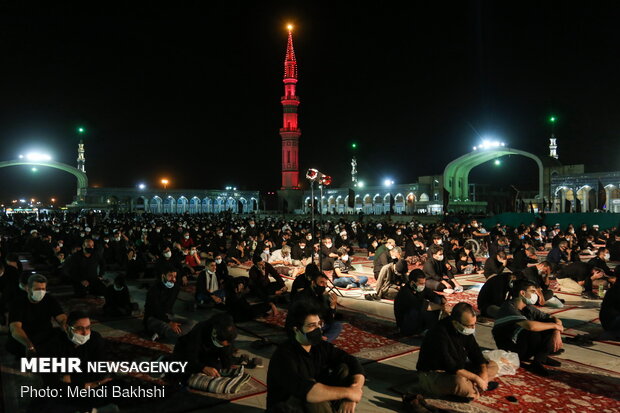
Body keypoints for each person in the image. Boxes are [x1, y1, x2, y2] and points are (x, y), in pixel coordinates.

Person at [266, 300, 365, 412]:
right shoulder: (284, 355)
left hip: (311, 398)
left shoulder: (319, 346)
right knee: (314, 394)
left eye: (319, 324)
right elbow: (308, 391)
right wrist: (349, 393)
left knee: (344, 368)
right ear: (296, 329)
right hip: (285, 407)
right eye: (311, 325)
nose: (318, 329)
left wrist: (354, 389)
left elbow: (352, 361)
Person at [416, 302, 499, 401]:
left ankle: (474, 386)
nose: (473, 328)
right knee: (461, 383)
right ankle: (473, 388)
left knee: (493, 365)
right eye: (470, 326)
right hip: (435, 373)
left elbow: (475, 352)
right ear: (455, 322)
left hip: (458, 368)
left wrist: (483, 373)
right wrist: (477, 379)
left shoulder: (463, 328)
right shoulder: (439, 333)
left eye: (474, 324)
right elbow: (452, 367)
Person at [492, 280, 564, 376]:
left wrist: (556, 331)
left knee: (548, 324)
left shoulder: (528, 307)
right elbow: (530, 326)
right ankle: (538, 362)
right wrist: (555, 326)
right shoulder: (508, 307)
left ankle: (540, 358)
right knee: (533, 330)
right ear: (522, 293)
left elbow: (554, 319)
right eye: (533, 292)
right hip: (511, 349)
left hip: (523, 344)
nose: (535, 295)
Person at [7, 274, 67, 357]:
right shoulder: (18, 303)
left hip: (44, 334)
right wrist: (29, 345)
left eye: (43, 289)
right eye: (37, 289)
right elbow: (15, 328)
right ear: (28, 288)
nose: (41, 292)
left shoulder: (50, 299)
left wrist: (65, 325)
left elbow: (62, 318)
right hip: (25, 335)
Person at [172, 313, 237, 383]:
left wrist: (228, 368)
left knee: (217, 370)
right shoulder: (199, 331)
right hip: (186, 352)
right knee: (183, 374)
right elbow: (191, 356)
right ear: (214, 335)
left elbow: (226, 356)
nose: (223, 346)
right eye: (220, 344)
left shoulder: (228, 333)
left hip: (206, 353)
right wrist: (203, 368)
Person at [144, 264, 196, 343]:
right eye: (170, 276)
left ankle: (161, 334)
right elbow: (156, 310)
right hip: (153, 317)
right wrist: (170, 323)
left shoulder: (174, 288)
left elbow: (168, 307)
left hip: (168, 315)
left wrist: (170, 320)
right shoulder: (154, 290)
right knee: (173, 330)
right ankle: (170, 333)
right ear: (163, 276)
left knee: (191, 323)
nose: (173, 279)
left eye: (175, 276)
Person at [293, 271, 342, 342]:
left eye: (325, 283)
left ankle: (322, 340)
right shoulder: (303, 296)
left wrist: (332, 306)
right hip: (306, 326)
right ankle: (318, 340)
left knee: (337, 325)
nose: (324, 286)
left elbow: (329, 319)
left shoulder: (322, 296)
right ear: (313, 283)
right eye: (321, 282)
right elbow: (301, 320)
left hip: (319, 325)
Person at [394, 269, 444, 335]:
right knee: (426, 309)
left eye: (424, 283)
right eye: (421, 283)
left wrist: (442, 299)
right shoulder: (405, 293)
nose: (423, 285)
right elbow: (424, 306)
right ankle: (421, 330)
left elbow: (432, 295)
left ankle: (429, 327)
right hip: (406, 323)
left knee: (437, 300)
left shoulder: (419, 288)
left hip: (417, 317)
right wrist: (442, 307)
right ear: (412, 283)